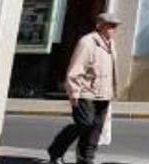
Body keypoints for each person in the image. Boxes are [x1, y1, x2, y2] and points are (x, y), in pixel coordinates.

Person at [47, 12, 121, 164]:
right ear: (100, 26)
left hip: (104, 94)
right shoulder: (87, 42)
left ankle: (86, 159)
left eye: (115, 26)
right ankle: (56, 150)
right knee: (85, 124)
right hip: (85, 92)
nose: (114, 29)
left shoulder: (111, 44)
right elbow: (75, 69)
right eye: (111, 26)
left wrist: (112, 91)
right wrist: (74, 93)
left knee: (96, 128)